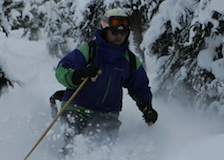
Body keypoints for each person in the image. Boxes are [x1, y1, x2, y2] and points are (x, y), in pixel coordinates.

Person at [55, 8, 158, 150]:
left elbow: (140, 86)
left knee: (104, 152)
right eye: (114, 32)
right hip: (77, 108)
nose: (119, 36)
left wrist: (146, 107)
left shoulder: (130, 61)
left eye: (123, 33)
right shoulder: (90, 50)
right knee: (73, 146)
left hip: (108, 115)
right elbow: (62, 69)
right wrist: (79, 74)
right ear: (105, 30)